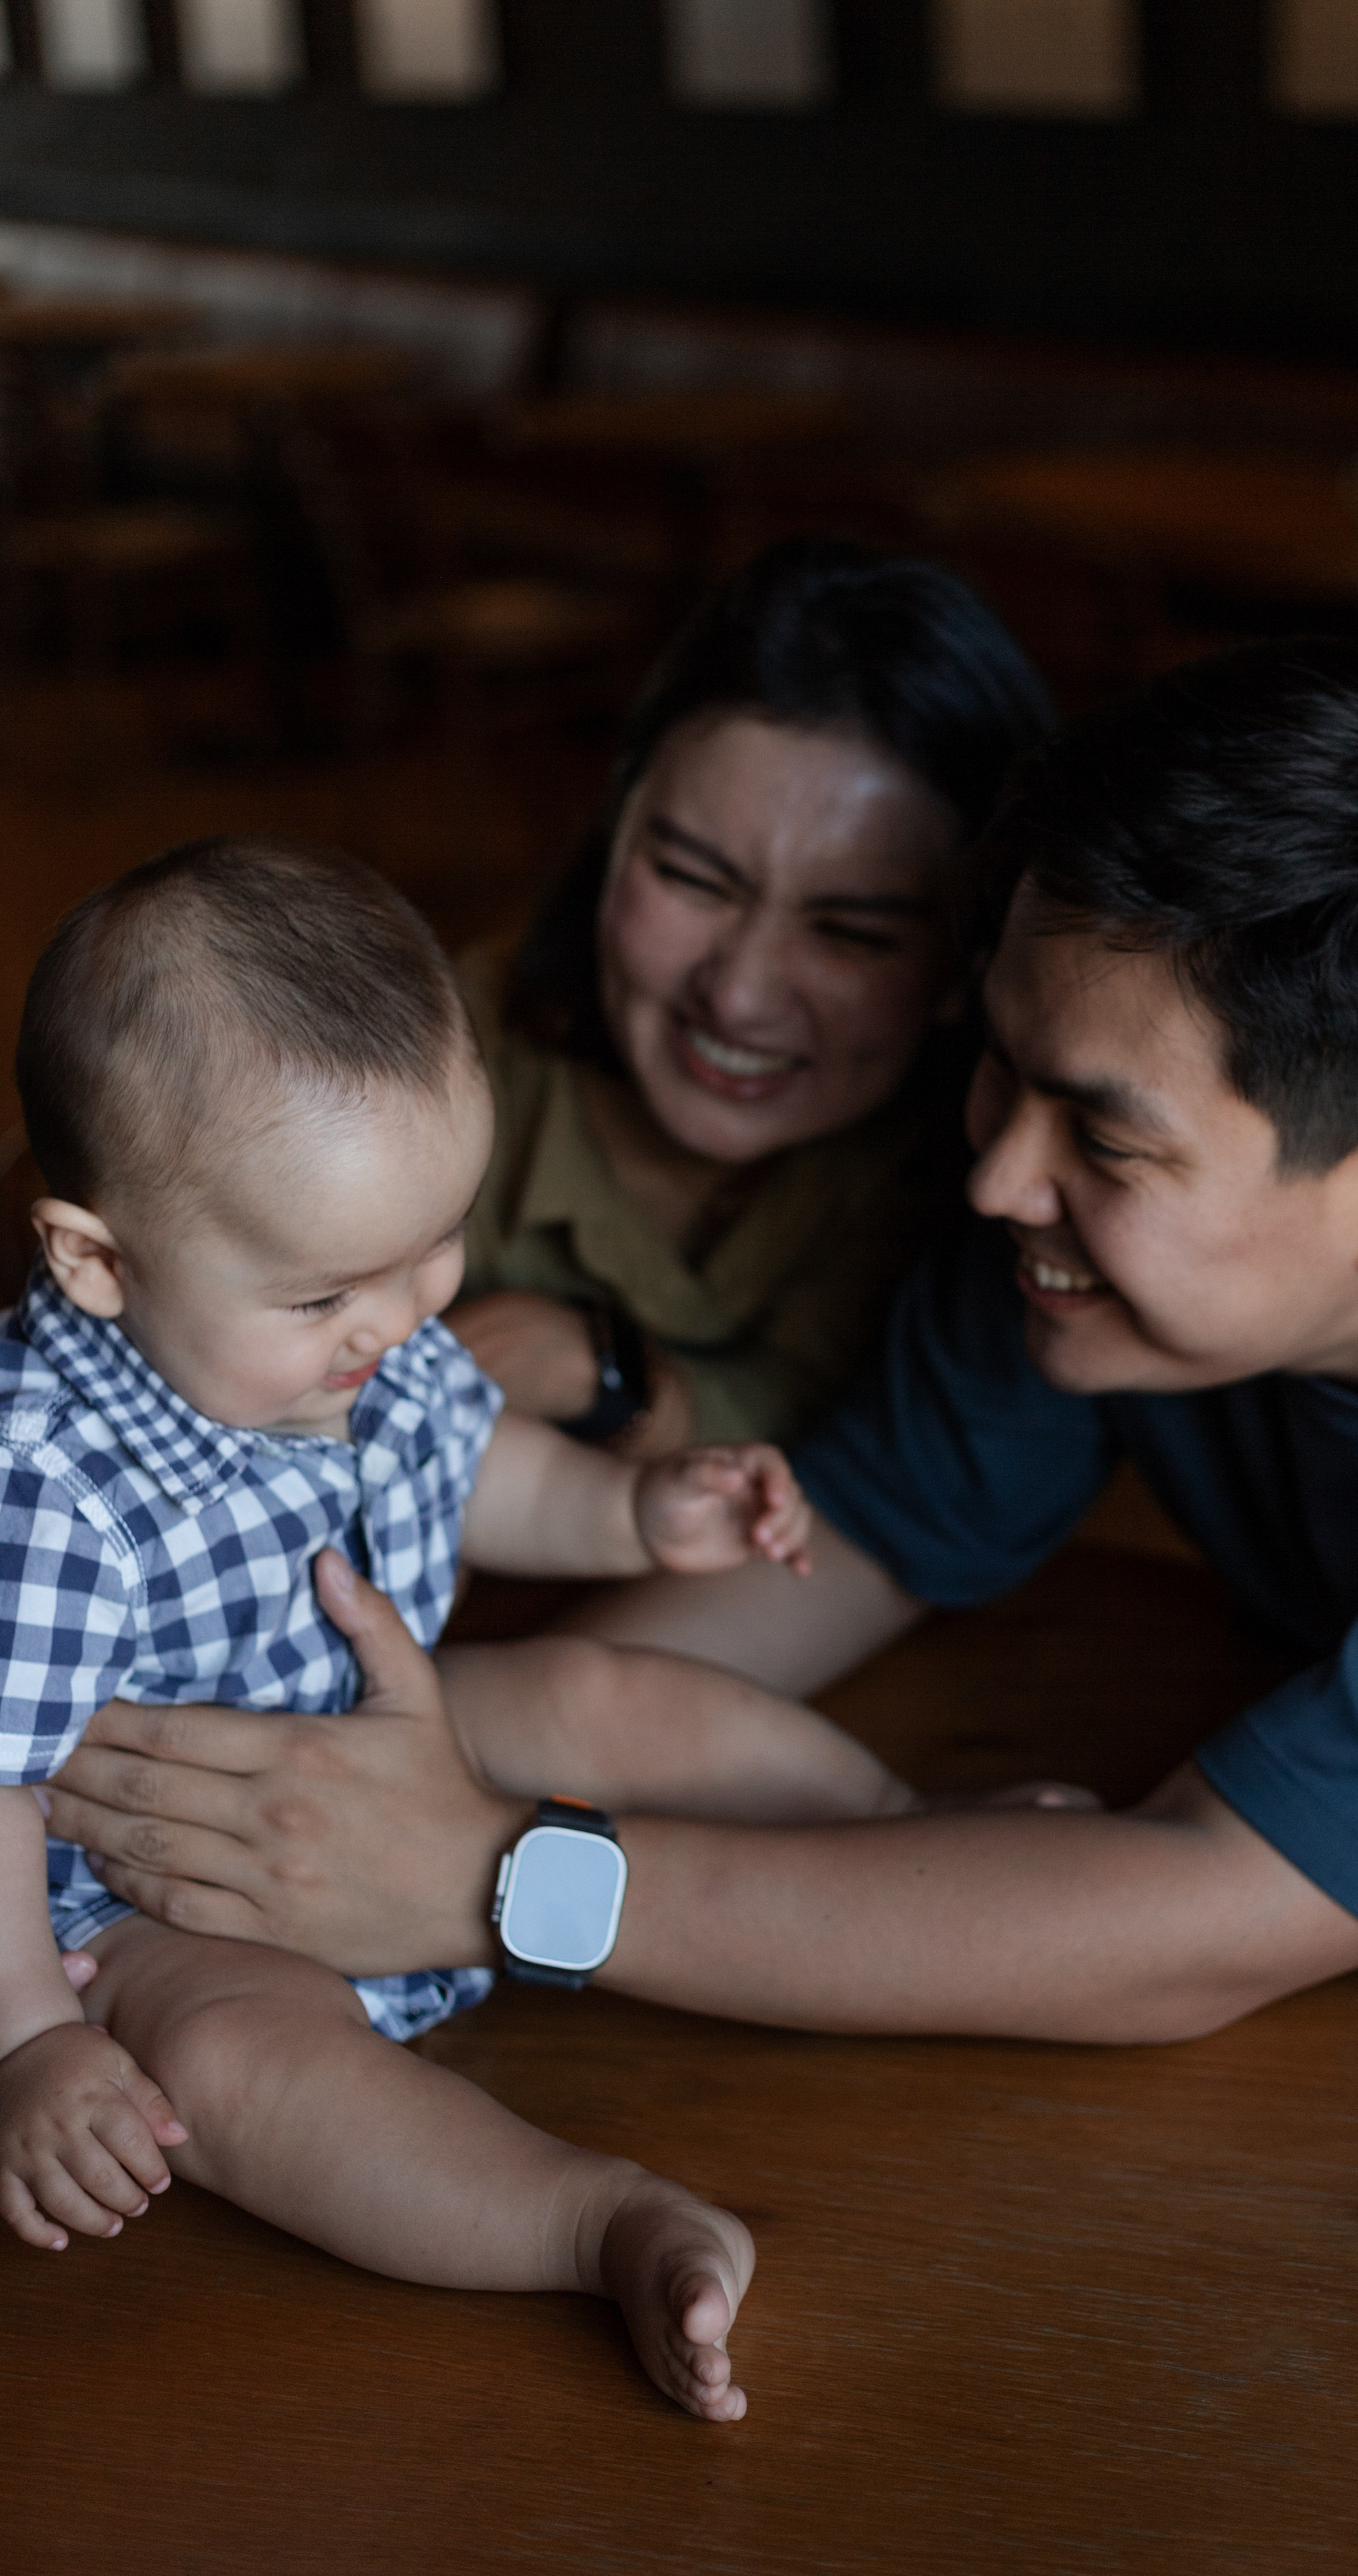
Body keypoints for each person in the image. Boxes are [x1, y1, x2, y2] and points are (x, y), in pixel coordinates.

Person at [48, 641, 1358, 2049]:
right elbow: (847, 1543)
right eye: (1000, 1067)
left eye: (1100, 1140)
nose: (993, 1180)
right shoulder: (1093, 1246)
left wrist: (486, 1875)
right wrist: (285, 1763)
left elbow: (1180, 1926)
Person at [0, 837, 954, 2420]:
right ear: (97, 1261)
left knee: (599, 1690)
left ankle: (906, 1834)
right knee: (230, 2070)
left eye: (433, 1248)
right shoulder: (48, 1486)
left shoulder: (351, 1323)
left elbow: (477, 1462)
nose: (397, 1320)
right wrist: (32, 2035)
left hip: (371, 1732)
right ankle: (591, 2222)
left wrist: (633, 1514)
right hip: (139, 1882)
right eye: (325, 1299)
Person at [447, 535, 1053, 1453]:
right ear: (611, 833)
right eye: (693, 879)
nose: (738, 998)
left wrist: (597, 1370)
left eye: (850, 934)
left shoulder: (1004, 1187)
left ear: (969, 964)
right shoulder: (429, 1065)